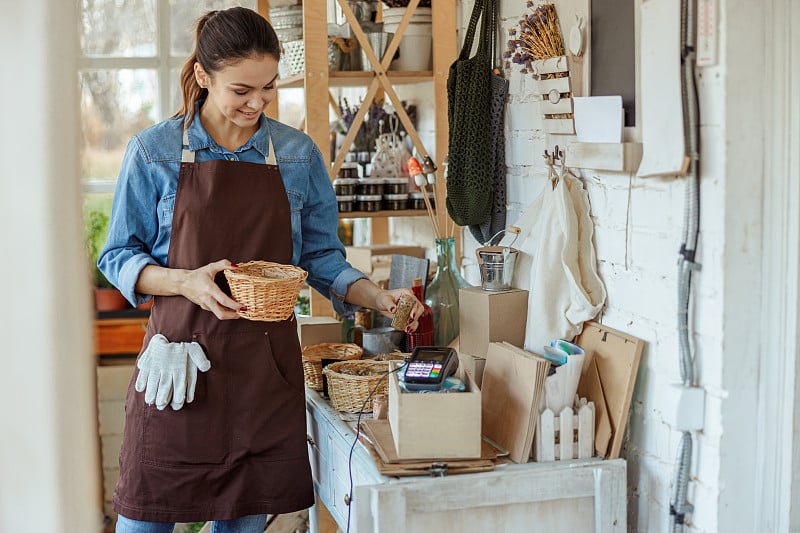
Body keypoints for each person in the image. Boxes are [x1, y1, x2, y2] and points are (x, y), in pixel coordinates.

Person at [97, 7, 423, 532]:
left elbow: (320, 258)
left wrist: (376, 297)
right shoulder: (153, 153)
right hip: (179, 376)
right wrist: (186, 282)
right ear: (203, 77)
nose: (257, 103)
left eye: (268, 88)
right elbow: (117, 256)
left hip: (263, 381)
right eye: (241, 90)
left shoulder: (295, 156)